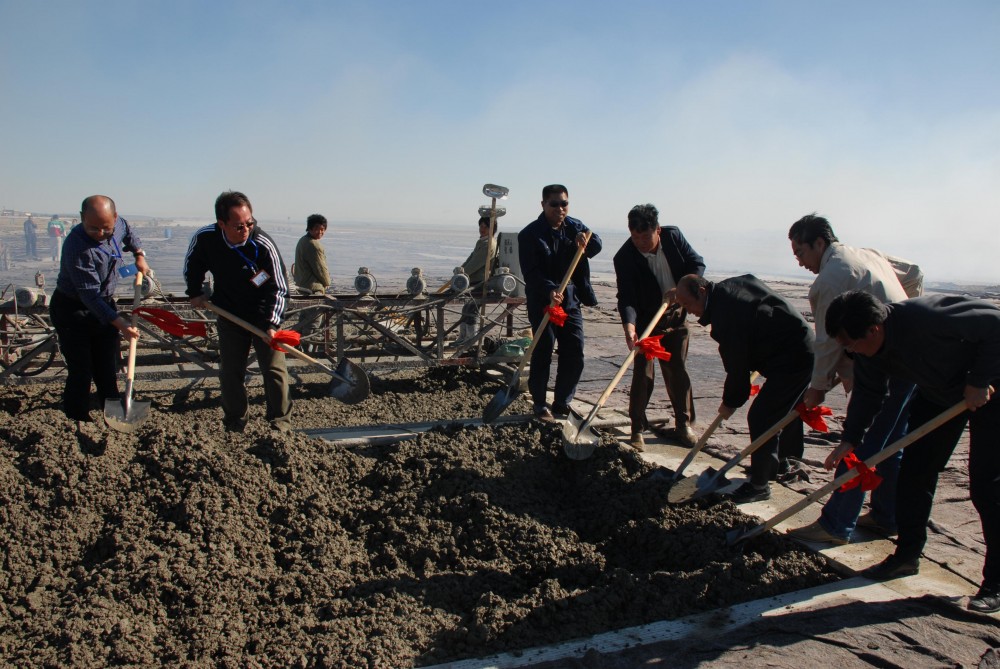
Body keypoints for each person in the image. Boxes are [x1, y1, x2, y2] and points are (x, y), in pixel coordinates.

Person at [824, 290, 1000, 614]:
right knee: (914, 474)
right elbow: (868, 393)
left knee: (987, 488)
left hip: (990, 388)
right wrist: (850, 439)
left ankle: (996, 583)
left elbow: (995, 326)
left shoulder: (927, 319)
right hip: (940, 394)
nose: (850, 351)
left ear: (873, 329)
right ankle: (906, 556)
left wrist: (979, 379)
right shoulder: (868, 351)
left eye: (851, 343)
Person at [785, 214, 915, 545]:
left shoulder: (830, 279)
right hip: (905, 360)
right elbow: (914, 273)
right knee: (890, 444)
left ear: (819, 243)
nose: (799, 262)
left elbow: (827, 342)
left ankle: (835, 524)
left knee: (860, 444)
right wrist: (906, 314)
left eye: (801, 252)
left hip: (878, 366)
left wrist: (817, 389)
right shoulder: (867, 254)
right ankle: (888, 516)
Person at [675, 274, 814, 502]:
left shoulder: (727, 315)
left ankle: (759, 486)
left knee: (762, 416)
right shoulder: (726, 291)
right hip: (791, 345)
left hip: (794, 356)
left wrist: (730, 401)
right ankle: (778, 464)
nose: (688, 311)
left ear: (701, 291)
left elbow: (737, 367)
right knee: (783, 411)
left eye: (688, 304)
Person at [184, 191, 293, 433]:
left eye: (250, 223)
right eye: (239, 225)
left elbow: (279, 287)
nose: (246, 229)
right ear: (221, 224)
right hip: (229, 312)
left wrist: (272, 324)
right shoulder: (206, 238)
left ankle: (280, 423)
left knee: (274, 370)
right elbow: (193, 265)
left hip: (263, 315)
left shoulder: (262, 244)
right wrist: (195, 292)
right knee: (231, 371)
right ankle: (235, 421)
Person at [49, 195, 149, 426]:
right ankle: (75, 418)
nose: (101, 233)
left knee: (106, 365)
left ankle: (113, 414)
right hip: (74, 309)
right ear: (82, 218)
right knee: (81, 369)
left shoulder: (118, 224)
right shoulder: (78, 247)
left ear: (114, 218)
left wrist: (139, 254)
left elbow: (129, 232)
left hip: (103, 302)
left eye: (106, 228)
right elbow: (89, 295)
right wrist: (121, 324)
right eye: (93, 228)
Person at [613, 203, 704, 451]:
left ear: (658, 230)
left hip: (675, 314)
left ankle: (684, 424)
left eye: (645, 236)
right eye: (635, 237)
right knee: (642, 373)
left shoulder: (673, 237)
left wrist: (684, 287)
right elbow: (627, 297)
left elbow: (697, 264)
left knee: (677, 370)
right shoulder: (624, 257)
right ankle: (636, 428)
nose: (640, 242)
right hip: (645, 320)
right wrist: (629, 326)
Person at [518, 184, 602, 421]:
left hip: (570, 300)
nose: (560, 209)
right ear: (543, 204)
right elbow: (531, 272)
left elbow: (596, 246)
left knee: (574, 350)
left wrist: (585, 241)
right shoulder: (529, 234)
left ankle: (562, 402)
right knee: (543, 349)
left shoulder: (576, 227)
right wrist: (549, 290)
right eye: (554, 204)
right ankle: (540, 404)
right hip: (543, 300)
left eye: (564, 204)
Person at [457, 215, 501, 342]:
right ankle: (463, 338)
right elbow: (470, 260)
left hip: (480, 282)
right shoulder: (482, 241)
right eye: (481, 226)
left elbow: (475, 263)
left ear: (492, 228)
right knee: (467, 308)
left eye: (485, 226)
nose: (482, 229)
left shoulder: (489, 244)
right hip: (472, 281)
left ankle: (471, 340)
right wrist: (460, 271)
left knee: (472, 310)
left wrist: (463, 273)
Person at [292, 214, 332, 353]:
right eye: (317, 229)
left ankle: (296, 346)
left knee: (304, 320)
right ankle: (307, 351)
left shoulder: (302, 241)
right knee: (313, 321)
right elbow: (321, 268)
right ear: (309, 228)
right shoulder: (313, 245)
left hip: (303, 287)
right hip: (313, 289)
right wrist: (327, 282)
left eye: (322, 229)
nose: (320, 232)